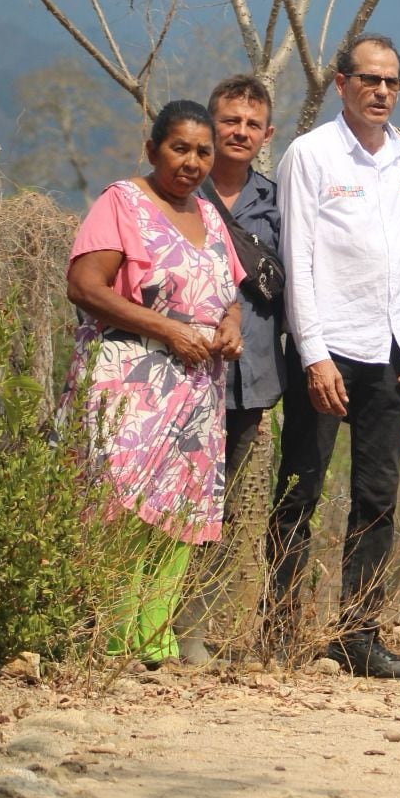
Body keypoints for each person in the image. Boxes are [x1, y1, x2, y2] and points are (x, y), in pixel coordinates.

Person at [267, 32, 400, 679]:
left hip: (394, 348)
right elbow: (299, 260)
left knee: (377, 497)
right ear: (340, 83)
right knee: (300, 490)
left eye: (392, 82)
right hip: (330, 348)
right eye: (368, 79)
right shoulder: (310, 155)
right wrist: (313, 355)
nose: (381, 91)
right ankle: (281, 629)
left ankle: (357, 634)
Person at [62, 99, 245, 665]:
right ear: (152, 150)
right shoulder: (122, 203)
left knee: (177, 514)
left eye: (202, 152)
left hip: (196, 390)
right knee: (123, 506)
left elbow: (229, 293)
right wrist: (168, 330)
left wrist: (231, 327)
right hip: (129, 383)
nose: (191, 162)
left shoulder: (211, 216)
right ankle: (114, 635)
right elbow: (85, 287)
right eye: (179, 148)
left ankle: (153, 639)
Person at [174, 75, 288, 666]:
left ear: (267, 134)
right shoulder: (179, 195)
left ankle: (222, 632)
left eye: (251, 124)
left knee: (237, 512)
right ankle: (164, 626)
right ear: (210, 124)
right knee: (181, 501)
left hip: (255, 378)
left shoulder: (276, 202)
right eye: (229, 121)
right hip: (184, 377)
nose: (239, 132)